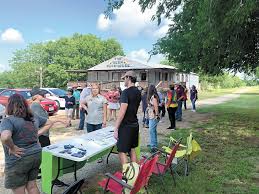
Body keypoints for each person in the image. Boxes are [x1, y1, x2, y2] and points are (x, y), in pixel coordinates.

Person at [0, 94, 46, 194]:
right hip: (36, 155)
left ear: (9, 105)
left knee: (19, 190)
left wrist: (12, 148)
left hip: (19, 159)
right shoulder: (33, 118)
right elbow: (48, 122)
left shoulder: (8, 121)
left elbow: (5, 137)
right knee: (32, 186)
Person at [114, 71, 141, 166]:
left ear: (129, 78)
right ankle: (135, 174)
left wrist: (116, 128)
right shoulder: (138, 91)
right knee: (132, 148)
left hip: (126, 126)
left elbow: (122, 112)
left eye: (124, 78)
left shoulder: (125, 92)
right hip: (135, 124)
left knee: (121, 151)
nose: (124, 81)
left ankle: (126, 177)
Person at [147, 85, 160, 152]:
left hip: (154, 116)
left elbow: (156, 107)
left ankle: (153, 146)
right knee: (153, 131)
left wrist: (157, 115)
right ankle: (153, 143)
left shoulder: (154, 97)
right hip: (151, 115)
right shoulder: (152, 97)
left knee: (151, 130)